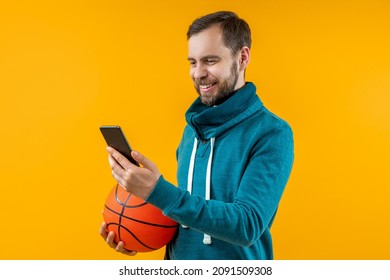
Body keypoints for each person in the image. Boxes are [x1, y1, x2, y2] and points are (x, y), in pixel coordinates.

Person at [100, 11, 294, 260]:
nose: (198, 73)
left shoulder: (272, 133)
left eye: (210, 61)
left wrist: (157, 191)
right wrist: (137, 231)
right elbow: (188, 218)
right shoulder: (191, 131)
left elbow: (247, 225)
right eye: (193, 62)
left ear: (242, 57)